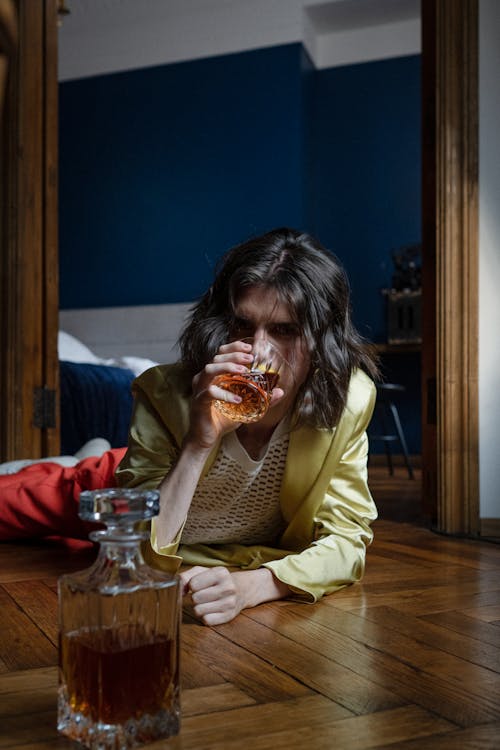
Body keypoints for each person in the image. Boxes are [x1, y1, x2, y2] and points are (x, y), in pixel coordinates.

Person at [114, 227, 380, 625]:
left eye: (285, 330)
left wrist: (253, 586)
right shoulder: (162, 393)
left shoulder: (348, 400)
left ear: (321, 340)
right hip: (119, 479)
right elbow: (132, 545)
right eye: (242, 325)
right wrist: (197, 443)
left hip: (251, 557)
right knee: (34, 493)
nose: (258, 351)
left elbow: (346, 540)